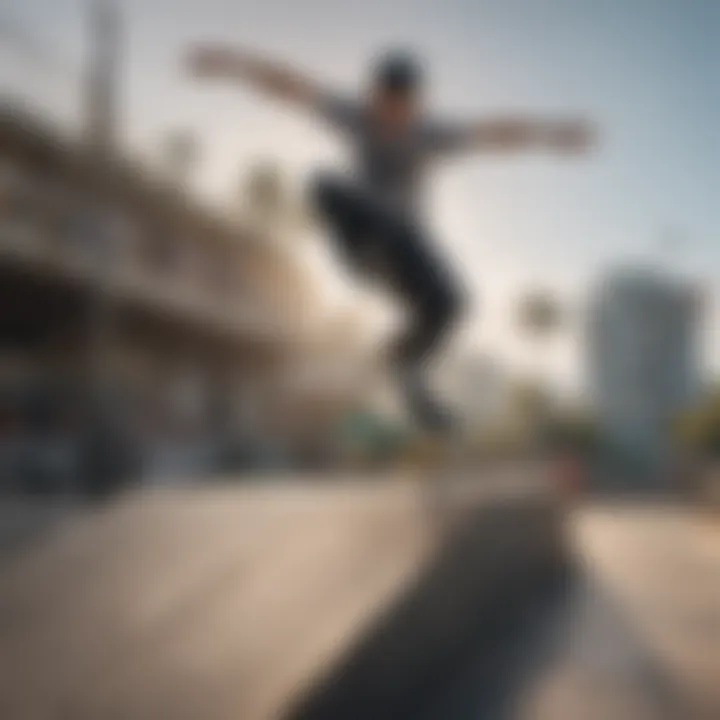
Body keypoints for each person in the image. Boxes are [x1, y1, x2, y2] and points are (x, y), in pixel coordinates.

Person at [186, 46, 593, 431]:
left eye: (403, 107)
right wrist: (231, 64)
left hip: (405, 246)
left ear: (416, 105)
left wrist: (553, 135)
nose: (392, 116)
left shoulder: (431, 132)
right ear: (374, 96)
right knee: (323, 184)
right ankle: (367, 256)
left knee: (453, 304)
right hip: (361, 234)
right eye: (386, 104)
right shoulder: (353, 114)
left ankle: (405, 367)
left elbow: (493, 134)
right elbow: (292, 87)